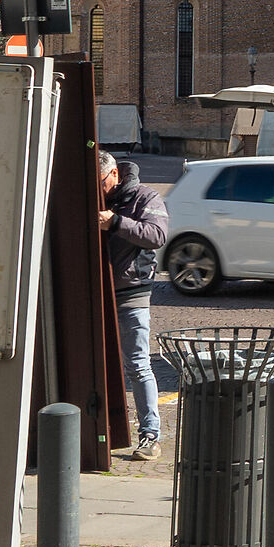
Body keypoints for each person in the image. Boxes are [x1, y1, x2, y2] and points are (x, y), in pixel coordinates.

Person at [99, 148, 169, 461]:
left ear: (114, 174)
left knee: (138, 365)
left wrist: (115, 222)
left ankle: (150, 435)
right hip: (96, 294)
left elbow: (156, 235)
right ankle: (97, 432)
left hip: (131, 293)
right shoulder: (96, 194)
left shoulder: (145, 197)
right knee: (95, 364)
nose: (98, 189)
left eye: (101, 182)